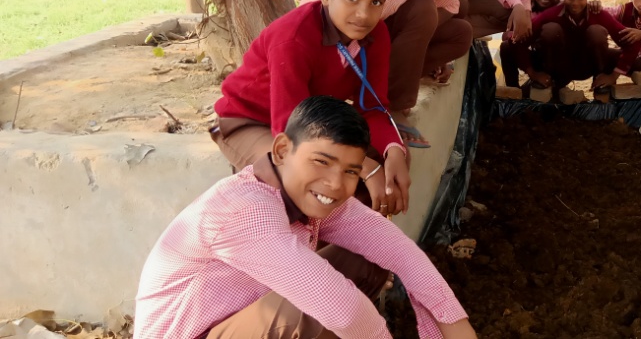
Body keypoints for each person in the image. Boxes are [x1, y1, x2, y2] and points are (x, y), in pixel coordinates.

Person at [135, 96, 478, 339]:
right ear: (283, 150)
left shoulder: (304, 195)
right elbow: (341, 308)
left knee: (366, 262)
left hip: (233, 320)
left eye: (350, 171)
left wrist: (454, 323)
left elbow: (401, 253)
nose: (335, 183)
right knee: (310, 311)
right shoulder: (247, 211)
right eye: (321, 161)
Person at [212, 0, 411, 215]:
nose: (364, 15)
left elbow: (373, 106)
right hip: (252, 121)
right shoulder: (293, 38)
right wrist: (363, 166)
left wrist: (394, 150)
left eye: (375, 2)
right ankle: (290, 254)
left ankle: (344, 253)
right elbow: (291, 129)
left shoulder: (376, 35)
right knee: (296, 179)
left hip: (313, 121)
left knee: (376, 169)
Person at [375, 0, 483, 147]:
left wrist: (425, 45)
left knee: (461, 32)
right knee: (423, 9)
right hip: (348, 56)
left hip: (379, 49)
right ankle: (393, 106)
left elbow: (453, 4)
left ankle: (405, 74)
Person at [499, 0, 641, 92]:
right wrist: (533, 73)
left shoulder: (599, 15)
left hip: (587, 65)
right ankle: (530, 90)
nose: (575, 3)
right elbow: (516, 41)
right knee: (549, 30)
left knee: (597, 32)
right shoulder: (550, 15)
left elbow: (632, 43)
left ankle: (601, 83)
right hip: (558, 67)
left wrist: (613, 76)